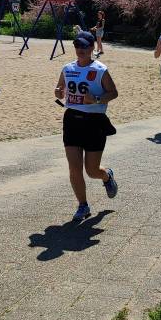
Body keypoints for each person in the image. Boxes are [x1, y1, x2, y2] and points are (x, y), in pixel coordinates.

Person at [55, 29, 119, 221]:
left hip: (94, 122)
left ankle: (106, 176)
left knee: (91, 171)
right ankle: (83, 205)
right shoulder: (67, 68)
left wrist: (97, 98)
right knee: (74, 168)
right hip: (72, 119)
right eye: (77, 45)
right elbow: (60, 88)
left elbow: (113, 93)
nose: (80, 49)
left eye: (84, 46)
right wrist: (58, 91)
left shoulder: (100, 70)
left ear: (92, 47)